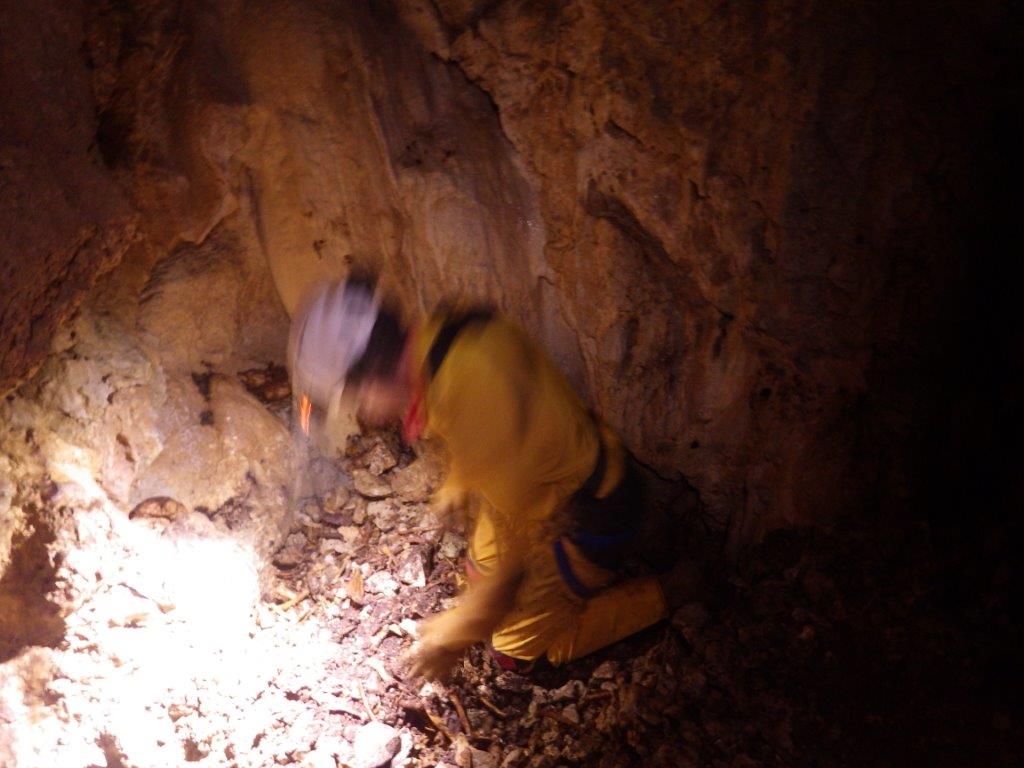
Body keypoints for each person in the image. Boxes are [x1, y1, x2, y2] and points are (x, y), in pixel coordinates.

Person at [288, 276, 683, 679]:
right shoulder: (439, 343)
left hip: (583, 514)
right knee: (477, 570)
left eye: (358, 397)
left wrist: (454, 636)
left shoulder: (472, 387)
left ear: (374, 373)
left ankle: (668, 593)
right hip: (538, 481)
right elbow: (492, 438)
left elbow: (518, 564)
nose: (364, 412)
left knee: (510, 650)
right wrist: (459, 485)